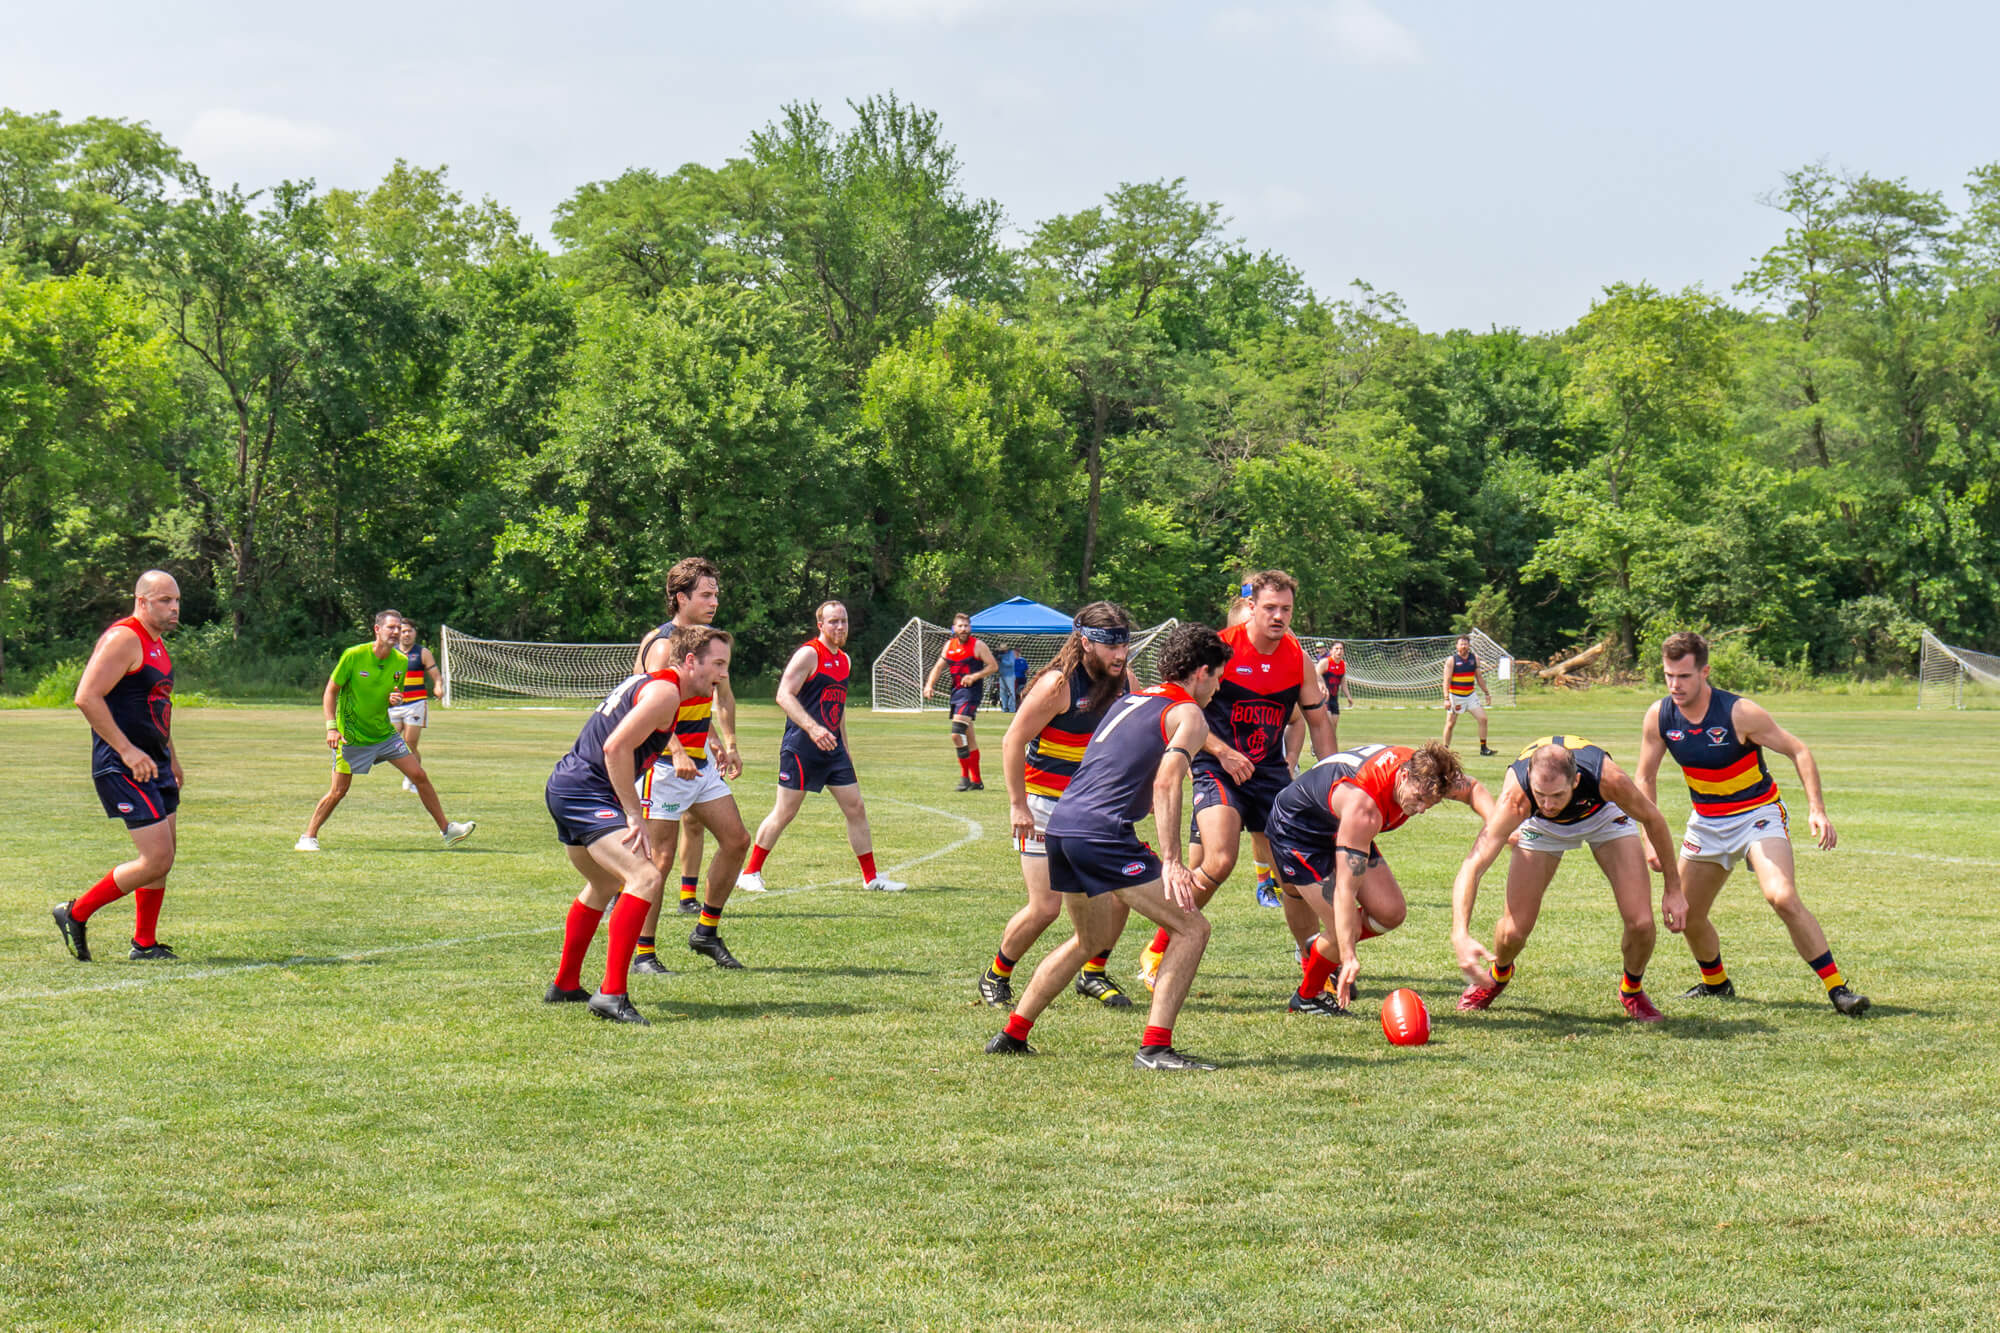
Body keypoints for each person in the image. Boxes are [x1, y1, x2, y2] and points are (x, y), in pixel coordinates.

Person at [984, 622, 1233, 1070]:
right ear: (1200, 672)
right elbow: (1166, 780)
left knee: (1090, 938)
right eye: (1218, 677)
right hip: (1101, 833)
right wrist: (1173, 861)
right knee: (1192, 928)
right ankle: (1155, 1048)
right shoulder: (1189, 714)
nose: (1218, 688)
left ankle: (1012, 1034)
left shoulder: (1135, 698)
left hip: (1063, 826)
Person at [1635, 631, 1869, 1017]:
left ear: (1705, 672)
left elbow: (1798, 750)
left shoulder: (1738, 713)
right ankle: (1716, 983)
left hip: (1757, 815)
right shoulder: (1660, 716)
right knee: (1688, 914)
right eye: (1668, 676)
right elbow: (1644, 778)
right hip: (1707, 821)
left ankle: (1838, 990)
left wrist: (1817, 809)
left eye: (1684, 676)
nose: (1675, 685)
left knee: (1781, 896)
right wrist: (1647, 838)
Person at [1137, 572, 1336, 990]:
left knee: (1294, 876)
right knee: (1219, 860)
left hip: (1270, 774)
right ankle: (1159, 948)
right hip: (1217, 767)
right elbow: (1180, 709)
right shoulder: (1220, 648)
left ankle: (1314, 966)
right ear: (1251, 607)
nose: (1279, 616)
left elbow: (1317, 721)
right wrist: (1222, 750)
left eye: (1286, 609)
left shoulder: (1296, 658)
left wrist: (1333, 777)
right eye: (1270, 608)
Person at [543, 626, 733, 1025]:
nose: (721, 675)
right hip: (584, 793)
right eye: (717, 664)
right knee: (645, 877)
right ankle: (612, 994)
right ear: (690, 661)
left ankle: (565, 983)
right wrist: (632, 814)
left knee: (603, 883)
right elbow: (615, 747)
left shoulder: (660, 687)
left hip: (568, 786)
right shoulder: (665, 692)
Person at [1450, 735, 1685, 1021]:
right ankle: (1498, 975)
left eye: (1557, 795)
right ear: (1530, 784)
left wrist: (1673, 888)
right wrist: (1460, 933)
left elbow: (1653, 818)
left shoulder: (1608, 779)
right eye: (1541, 794)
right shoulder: (1517, 799)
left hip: (1602, 815)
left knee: (1641, 922)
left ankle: (1632, 989)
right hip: (1541, 828)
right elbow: (1472, 866)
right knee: (1512, 932)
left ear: (1575, 781)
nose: (1548, 803)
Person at [981, 602, 1140, 1011]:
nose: (1120, 654)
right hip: (1045, 807)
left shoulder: (1126, 682)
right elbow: (1012, 741)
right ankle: (997, 973)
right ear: (1085, 642)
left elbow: (1134, 738)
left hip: (1097, 808)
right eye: (1110, 645)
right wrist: (1018, 805)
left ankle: (1093, 973)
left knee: (1126, 892)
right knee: (1045, 908)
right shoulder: (1058, 684)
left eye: (1124, 644)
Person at [1268, 742, 1493, 1015]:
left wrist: (1497, 825)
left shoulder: (1431, 771)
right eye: (1419, 799)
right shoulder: (1364, 806)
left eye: (1430, 804)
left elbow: (1474, 789)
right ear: (1404, 775)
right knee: (1344, 932)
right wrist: (1348, 954)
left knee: (1391, 913)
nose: (1421, 809)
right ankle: (1307, 997)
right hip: (1298, 831)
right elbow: (1345, 891)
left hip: (1339, 825)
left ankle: (1319, 948)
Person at [52, 571, 185, 963]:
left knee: (165, 857)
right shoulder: (124, 638)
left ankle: (144, 943)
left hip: (154, 761)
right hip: (124, 764)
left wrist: (171, 756)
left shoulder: (157, 644)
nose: (174, 607)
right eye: (164, 600)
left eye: (176, 600)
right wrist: (127, 751)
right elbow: (86, 696)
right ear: (141, 601)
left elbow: (157, 705)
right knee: (156, 858)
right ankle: (74, 913)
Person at [629, 557, 751, 974]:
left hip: (700, 766)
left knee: (736, 841)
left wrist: (727, 742)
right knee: (657, 861)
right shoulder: (663, 645)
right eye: (706, 594)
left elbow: (722, 696)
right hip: (661, 766)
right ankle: (643, 952)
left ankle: (705, 932)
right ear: (681, 597)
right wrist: (678, 750)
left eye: (716, 594)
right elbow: (651, 706)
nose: (714, 601)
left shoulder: (708, 641)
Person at [736, 601, 907, 895]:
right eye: (833, 622)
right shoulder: (809, 654)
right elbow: (783, 695)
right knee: (785, 811)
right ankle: (750, 872)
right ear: (821, 625)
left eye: (843, 621)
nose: (839, 627)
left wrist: (846, 747)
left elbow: (836, 707)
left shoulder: (845, 660)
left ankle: (871, 878)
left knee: (856, 807)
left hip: (833, 750)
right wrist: (813, 729)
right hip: (802, 747)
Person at [296, 611, 474, 851]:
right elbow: (330, 691)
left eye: (398, 628)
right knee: (339, 791)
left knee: (419, 775)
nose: (396, 632)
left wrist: (394, 700)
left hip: (384, 734)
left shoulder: (400, 661)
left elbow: (392, 696)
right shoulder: (354, 655)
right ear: (377, 630)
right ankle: (308, 837)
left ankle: (447, 830)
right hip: (353, 736)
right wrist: (331, 728)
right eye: (391, 627)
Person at [923, 613, 999, 791]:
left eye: (966, 626)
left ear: (970, 628)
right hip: (957, 693)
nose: (963, 629)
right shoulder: (949, 646)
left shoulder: (978, 645)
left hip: (971, 693)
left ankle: (964, 778)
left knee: (957, 733)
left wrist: (974, 676)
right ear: (954, 628)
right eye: (960, 626)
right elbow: (938, 667)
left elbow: (993, 666)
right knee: (969, 737)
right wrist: (929, 685)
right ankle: (977, 781)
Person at [391, 618, 440, 795]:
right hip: (394, 704)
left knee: (410, 743)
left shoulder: (422, 652)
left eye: (409, 631)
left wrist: (438, 686)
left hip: (416, 703)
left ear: (414, 633)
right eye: (403, 631)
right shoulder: (391, 652)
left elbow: (435, 674)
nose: (406, 634)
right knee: (391, 741)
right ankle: (410, 772)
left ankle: (412, 778)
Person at [1439, 634, 1496, 756]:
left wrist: (1486, 693)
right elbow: (1446, 680)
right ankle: (1445, 750)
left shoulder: (1474, 658)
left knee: (1483, 719)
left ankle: (1483, 748)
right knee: (1450, 724)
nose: (1464, 646)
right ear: (1457, 646)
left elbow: (1479, 677)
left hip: (1470, 695)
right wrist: (1446, 699)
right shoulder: (1452, 660)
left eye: (1466, 644)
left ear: (1469, 645)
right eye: (1461, 644)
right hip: (1456, 696)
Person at [1319, 641, 1355, 752]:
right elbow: (1315, 674)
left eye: (1341, 649)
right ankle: (1319, 745)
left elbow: (1343, 682)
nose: (1339, 651)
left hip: (1334, 699)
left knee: (1333, 727)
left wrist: (1348, 696)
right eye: (1336, 649)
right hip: (1324, 699)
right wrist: (1322, 686)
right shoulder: (1325, 662)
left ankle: (1332, 751)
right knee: (1328, 723)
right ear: (1331, 651)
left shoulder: (1343, 665)